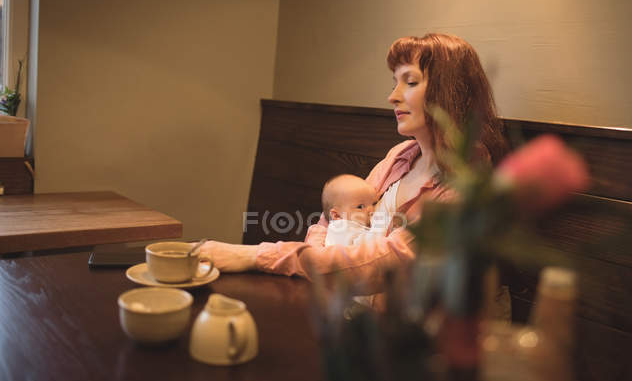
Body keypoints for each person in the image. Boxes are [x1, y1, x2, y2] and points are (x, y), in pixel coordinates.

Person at [200, 33, 508, 307]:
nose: (393, 96)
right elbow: (331, 217)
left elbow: (382, 266)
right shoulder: (400, 156)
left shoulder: (468, 179)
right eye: (395, 83)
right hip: (350, 311)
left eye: (410, 82)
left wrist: (253, 256)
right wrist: (319, 263)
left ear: (448, 91)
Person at [321, 174, 398, 247]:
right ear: (337, 215)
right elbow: (365, 246)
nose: (372, 210)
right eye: (360, 207)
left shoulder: (355, 225)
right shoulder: (338, 228)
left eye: (374, 203)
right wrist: (381, 223)